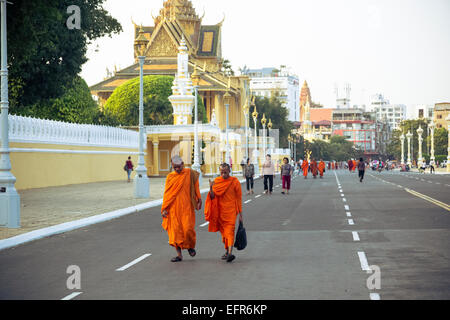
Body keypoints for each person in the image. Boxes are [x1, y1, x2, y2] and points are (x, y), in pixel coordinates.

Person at [161, 155, 202, 262]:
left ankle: (190, 246)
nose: (178, 169)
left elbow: (196, 186)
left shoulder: (189, 173)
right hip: (173, 208)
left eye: (179, 167)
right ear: (172, 166)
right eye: (175, 167)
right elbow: (167, 193)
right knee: (175, 232)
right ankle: (179, 255)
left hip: (187, 207)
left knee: (188, 229)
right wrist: (165, 208)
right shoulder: (170, 177)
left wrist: (199, 198)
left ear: (183, 164)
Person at [204, 163, 243, 263]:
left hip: (231, 211)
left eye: (225, 172)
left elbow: (238, 198)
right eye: (221, 172)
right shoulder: (217, 181)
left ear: (229, 171)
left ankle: (230, 253)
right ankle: (227, 251)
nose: (223, 174)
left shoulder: (234, 181)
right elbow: (212, 197)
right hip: (220, 212)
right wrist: (211, 188)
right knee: (224, 233)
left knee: (230, 231)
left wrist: (240, 214)